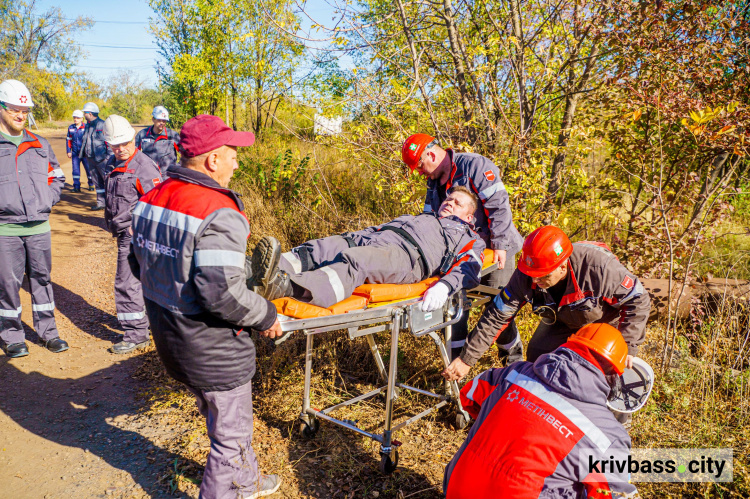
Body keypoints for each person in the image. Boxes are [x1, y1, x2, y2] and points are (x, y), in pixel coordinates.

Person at [129, 114, 283, 498]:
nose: (237, 162)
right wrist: (267, 314)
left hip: (169, 334)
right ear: (212, 160)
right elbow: (222, 294)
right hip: (211, 347)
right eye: (232, 154)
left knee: (228, 421)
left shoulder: (151, 198)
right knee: (229, 437)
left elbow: (138, 264)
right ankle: (228, 486)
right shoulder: (218, 211)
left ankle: (246, 481)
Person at [443, 323, 640, 499]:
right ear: (614, 375)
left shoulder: (513, 373)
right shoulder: (609, 436)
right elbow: (614, 493)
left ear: (569, 347)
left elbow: (470, 394)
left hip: (456, 489)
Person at [443, 225, 651, 382]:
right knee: (538, 355)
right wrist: (466, 359)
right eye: (531, 275)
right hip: (562, 318)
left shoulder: (599, 267)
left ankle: (617, 420)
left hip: (604, 323)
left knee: (607, 371)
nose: (534, 281)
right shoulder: (526, 273)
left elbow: (638, 300)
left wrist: (628, 346)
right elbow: (497, 315)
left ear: (563, 266)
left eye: (542, 276)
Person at [253, 186, 485, 311]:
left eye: (457, 203)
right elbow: (379, 228)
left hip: (407, 257)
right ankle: (250, 270)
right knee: (323, 247)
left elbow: (469, 268)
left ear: (469, 215)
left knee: (357, 261)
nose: (449, 203)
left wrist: (444, 286)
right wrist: (349, 237)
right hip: (378, 238)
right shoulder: (425, 217)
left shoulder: (468, 237)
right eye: (448, 199)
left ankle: (284, 287)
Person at [402, 134, 524, 362]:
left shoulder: (474, 166)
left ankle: (513, 361)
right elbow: (430, 219)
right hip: (462, 254)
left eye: (419, 165)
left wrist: (499, 244)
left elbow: (499, 206)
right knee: (455, 306)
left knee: (498, 307)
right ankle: (455, 366)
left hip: (494, 250)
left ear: (431, 153)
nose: (419, 172)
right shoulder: (434, 184)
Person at [0, 79, 68, 358]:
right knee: (8, 284)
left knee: (42, 280)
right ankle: (12, 335)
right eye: (15, 109)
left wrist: (46, 199)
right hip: (6, 230)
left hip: (39, 226)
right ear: (2, 107)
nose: (20, 115)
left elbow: (57, 176)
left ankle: (49, 333)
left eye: (25, 110)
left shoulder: (39, 143)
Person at [102, 115, 163, 354]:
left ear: (133, 138)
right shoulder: (113, 163)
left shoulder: (144, 166)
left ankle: (136, 335)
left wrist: (135, 226)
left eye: (125, 143)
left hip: (137, 235)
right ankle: (145, 327)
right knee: (137, 282)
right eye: (116, 145)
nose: (121, 148)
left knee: (126, 283)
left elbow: (158, 203)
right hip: (124, 232)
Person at [79, 101, 111, 210]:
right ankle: (101, 203)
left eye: (85, 113)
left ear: (90, 113)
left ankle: (111, 204)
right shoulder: (88, 125)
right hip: (91, 159)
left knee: (108, 181)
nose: (84, 115)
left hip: (102, 160)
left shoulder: (102, 125)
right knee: (97, 182)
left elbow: (109, 142)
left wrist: (108, 158)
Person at [134, 105, 180, 173]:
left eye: (164, 121)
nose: (161, 123)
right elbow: (134, 154)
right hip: (149, 175)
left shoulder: (173, 135)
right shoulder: (142, 134)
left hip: (168, 176)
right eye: (159, 120)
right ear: (153, 119)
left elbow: (185, 154)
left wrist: (177, 168)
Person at [65, 109, 91, 192]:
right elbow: (68, 140)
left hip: (85, 153)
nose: (76, 119)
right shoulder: (71, 128)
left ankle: (91, 184)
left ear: (82, 118)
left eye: (78, 118)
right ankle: (76, 186)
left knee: (88, 169)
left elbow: (89, 140)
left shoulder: (86, 127)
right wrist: (69, 151)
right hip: (75, 153)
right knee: (75, 170)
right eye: (74, 118)